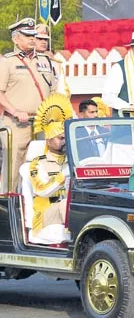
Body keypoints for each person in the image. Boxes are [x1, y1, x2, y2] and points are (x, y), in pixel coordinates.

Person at [0, 18, 56, 193]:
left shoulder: (45, 61)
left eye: (34, 35)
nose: (33, 39)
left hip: (42, 122)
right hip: (17, 122)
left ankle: (39, 203)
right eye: (27, 35)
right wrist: (15, 111)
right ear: (16, 39)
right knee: (14, 164)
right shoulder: (7, 61)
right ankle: (7, 206)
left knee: (42, 163)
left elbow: (53, 90)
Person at [29, 93, 73, 238]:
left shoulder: (71, 160)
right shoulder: (37, 163)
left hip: (68, 209)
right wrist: (63, 176)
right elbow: (41, 191)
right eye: (60, 138)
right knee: (66, 202)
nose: (64, 141)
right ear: (48, 141)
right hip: (45, 216)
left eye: (66, 137)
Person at [34, 24, 68, 97]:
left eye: (46, 39)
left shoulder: (55, 64)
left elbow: (62, 89)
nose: (44, 42)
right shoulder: (26, 60)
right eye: (39, 39)